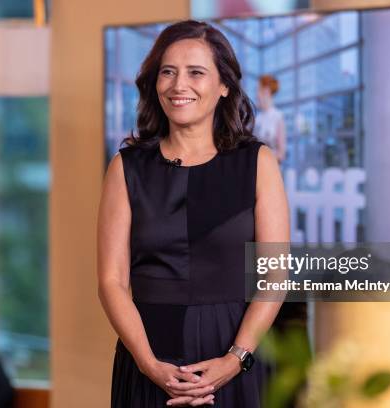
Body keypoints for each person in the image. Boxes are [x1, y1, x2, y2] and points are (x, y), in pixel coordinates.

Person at [98, 20, 289, 407]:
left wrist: (235, 360)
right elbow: (111, 281)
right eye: (167, 72)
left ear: (223, 86)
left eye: (196, 72)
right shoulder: (125, 167)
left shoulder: (258, 162)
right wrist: (150, 365)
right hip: (148, 361)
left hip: (237, 359)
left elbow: (274, 276)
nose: (178, 84)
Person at [254, 75, 287, 163]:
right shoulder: (257, 119)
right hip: (256, 169)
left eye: (258, 90)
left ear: (266, 91)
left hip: (272, 170)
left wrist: (265, 161)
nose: (256, 95)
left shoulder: (278, 117)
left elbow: (281, 154)